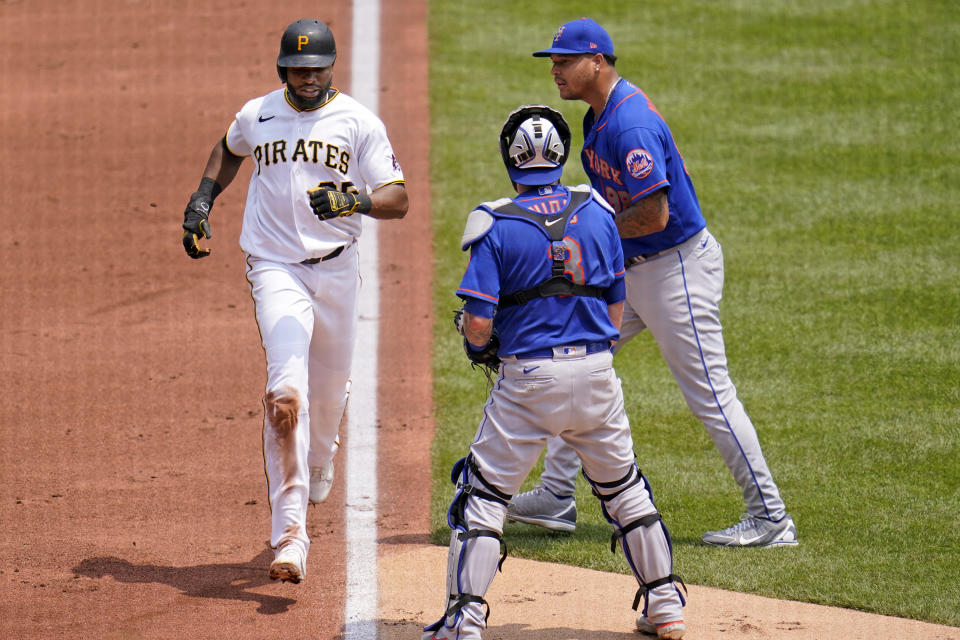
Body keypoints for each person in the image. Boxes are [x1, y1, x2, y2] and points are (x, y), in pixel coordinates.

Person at [506, 17, 797, 557]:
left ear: (598, 61)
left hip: (674, 270)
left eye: (564, 61)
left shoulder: (628, 125)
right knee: (579, 359)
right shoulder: (600, 114)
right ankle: (555, 497)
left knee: (709, 394)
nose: (555, 70)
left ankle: (771, 516)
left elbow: (655, 214)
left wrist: (585, 230)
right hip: (637, 271)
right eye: (552, 61)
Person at [422, 105, 686, 640]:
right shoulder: (598, 213)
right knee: (625, 490)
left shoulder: (494, 223)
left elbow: (477, 320)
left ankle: (465, 620)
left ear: (510, 160)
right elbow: (616, 304)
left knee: (485, 497)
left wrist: (481, 350)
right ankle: (665, 605)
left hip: (527, 383)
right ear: (561, 156)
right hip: (596, 374)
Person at [180, 18, 408, 584]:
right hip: (275, 268)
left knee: (325, 400)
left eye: (318, 67)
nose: (308, 77)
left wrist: (353, 198)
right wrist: (202, 201)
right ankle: (290, 535)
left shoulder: (358, 121)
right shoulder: (258, 113)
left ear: (332, 66)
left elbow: (398, 198)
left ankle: (323, 453)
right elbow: (229, 149)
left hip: (336, 271)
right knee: (285, 393)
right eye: (297, 68)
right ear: (283, 68)